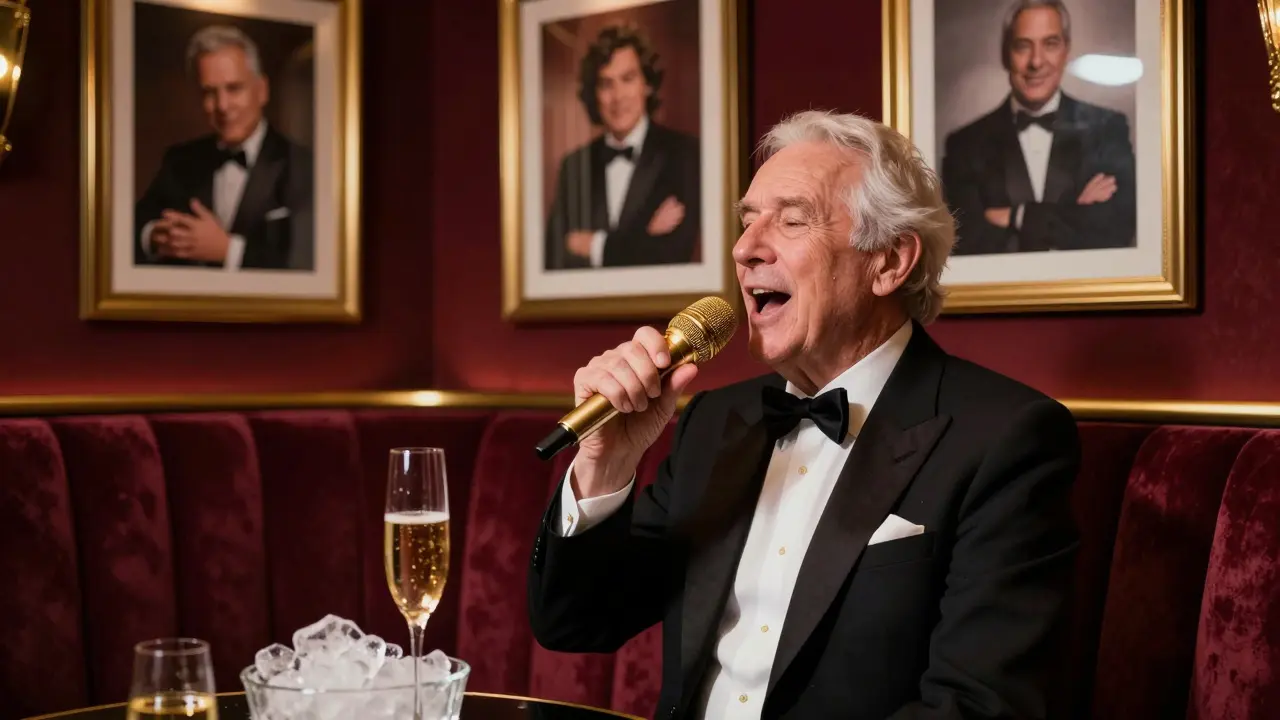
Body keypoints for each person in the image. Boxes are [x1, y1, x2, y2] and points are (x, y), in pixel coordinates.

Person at [528, 110, 1081, 719]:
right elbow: (576, 623)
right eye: (747, 222)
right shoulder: (716, 420)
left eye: (792, 220)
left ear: (890, 261)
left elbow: (977, 707)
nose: (743, 250)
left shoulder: (1006, 438)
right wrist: (607, 465)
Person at [940, 0, 1135, 254]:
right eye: (1023, 46)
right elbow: (966, 246)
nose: (1036, 61)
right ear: (1005, 54)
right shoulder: (964, 145)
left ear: (1066, 51)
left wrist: (1016, 217)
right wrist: (1074, 215)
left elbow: (1116, 232)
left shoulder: (1108, 129)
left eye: (1050, 44)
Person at [134, 25, 314, 271]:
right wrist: (155, 235)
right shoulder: (179, 161)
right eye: (209, 92)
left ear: (262, 90)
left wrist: (228, 250)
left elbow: (309, 262)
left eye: (234, 88)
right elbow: (132, 229)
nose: (222, 106)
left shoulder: (304, 164)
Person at [543, 24, 700, 270]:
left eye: (627, 79)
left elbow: (673, 253)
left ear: (647, 84)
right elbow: (555, 257)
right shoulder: (574, 165)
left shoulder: (685, 153)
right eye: (606, 84)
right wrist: (644, 235)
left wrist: (594, 245)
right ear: (594, 93)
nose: (618, 97)